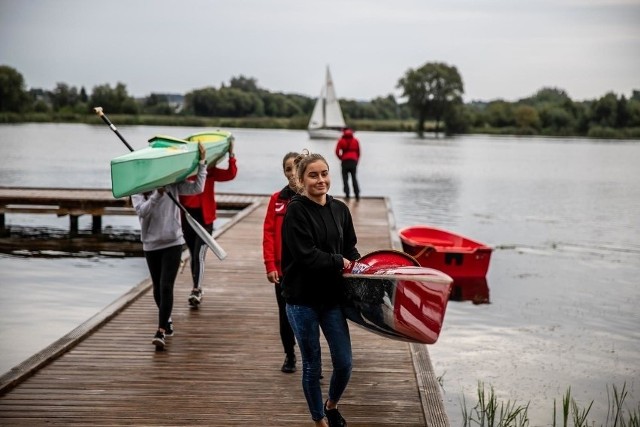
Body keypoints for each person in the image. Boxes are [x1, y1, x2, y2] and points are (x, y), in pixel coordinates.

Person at [281, 150, 360, 427]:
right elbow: (306, 255)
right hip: (302, 301)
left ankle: (332, 405)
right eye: (313, 175)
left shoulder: (340, 209)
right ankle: (319, 420)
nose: (320, 180)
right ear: (301, 180)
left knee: (344, 363)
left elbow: (350, 247)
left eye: (324, 173)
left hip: (332, 299)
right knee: (313, 365)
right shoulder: (295, 211)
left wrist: (362, 267)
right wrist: (340, 261)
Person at [131, 142, 208, 350]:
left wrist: (202, 163)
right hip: (151, 243)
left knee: (166, 286)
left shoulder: (172, 182)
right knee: (157, 288)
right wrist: (158, 194)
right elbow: (142, 212)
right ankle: (168, 320)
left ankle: (161, 331)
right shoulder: (137, 188)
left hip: (173, 241)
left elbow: (197, 188)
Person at [179, 139, 238, 308]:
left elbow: (230, 174)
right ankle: (196, 288)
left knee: (199, 254)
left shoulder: (209, 170)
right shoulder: (184, 171)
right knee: (192, 253)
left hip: (205, 219)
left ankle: (197, 289)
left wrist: (231, 154)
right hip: (187, 218)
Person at [262, 151, 299, 373]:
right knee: (285, 314)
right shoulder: (277, 199)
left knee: (310, 315)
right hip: (283, 270)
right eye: (288, 169)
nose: (292, 172)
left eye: (296, 167)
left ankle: (312, 360)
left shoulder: (312, 197)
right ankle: (290, 355)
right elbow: (268, 233)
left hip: (307, 270)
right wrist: (270, 265)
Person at [334, 127, 361, 201]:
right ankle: (357, 194)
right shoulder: (355, 140)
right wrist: (356, 160)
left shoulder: (341, 140)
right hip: (353, 161)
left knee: (345, 179)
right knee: (354, 178)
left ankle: (347, 194)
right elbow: (358, 152)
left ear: (343, 132)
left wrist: (341, 158)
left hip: (345, 161)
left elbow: (336, 151)